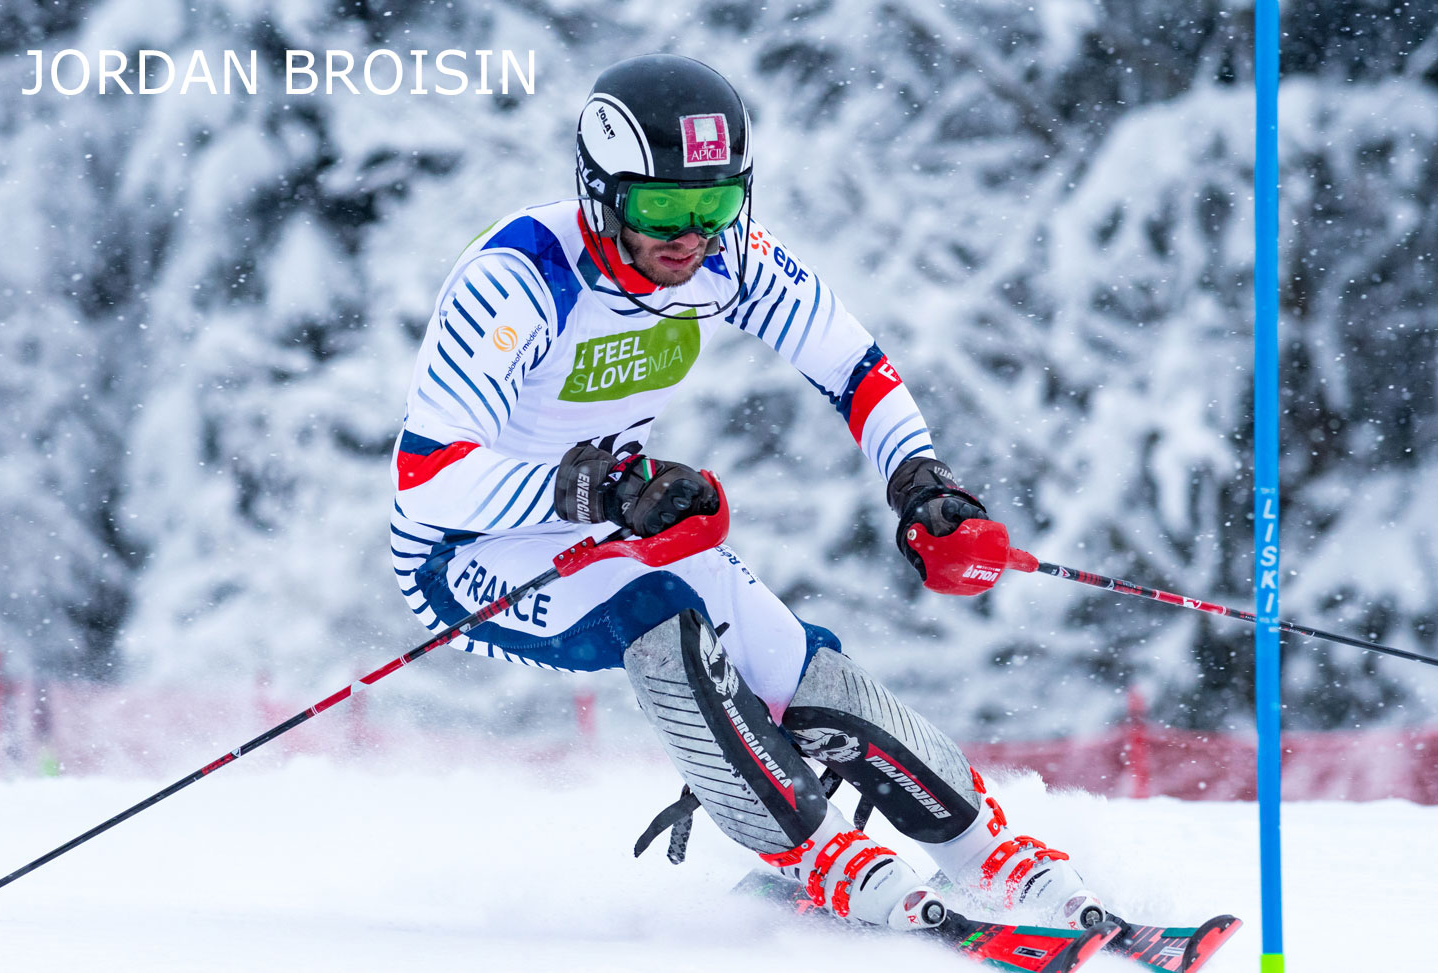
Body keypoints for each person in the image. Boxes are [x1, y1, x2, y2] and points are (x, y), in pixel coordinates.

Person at [390, 53, 1105, 932]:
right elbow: (428, 481)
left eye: (717, 202)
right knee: (663, 617)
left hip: (607, 520)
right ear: (600, 190)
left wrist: (918, 478)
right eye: (662, 206)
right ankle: (816, 853)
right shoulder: (520, 281)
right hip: (467, 552)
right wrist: (601, 488)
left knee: (792, 661)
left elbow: (853, 363)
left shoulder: (725, 258)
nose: (691, 234)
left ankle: (986, 854)